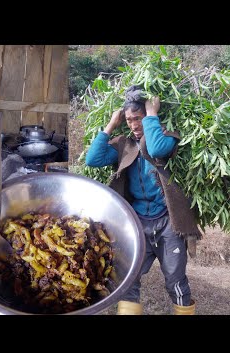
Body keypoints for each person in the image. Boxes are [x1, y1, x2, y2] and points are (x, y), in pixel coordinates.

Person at [85, 85, 201, 315]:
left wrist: (152, 114)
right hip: (137, 222)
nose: (134, 125)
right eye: (129, 120)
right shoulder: (124, 145)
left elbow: (156, 149)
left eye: (138, 118)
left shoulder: (167, 137)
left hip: (168, 223)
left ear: (148, 116)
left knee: (175, 280)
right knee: (128, 277)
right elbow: (92, 159)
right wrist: (111, 124)